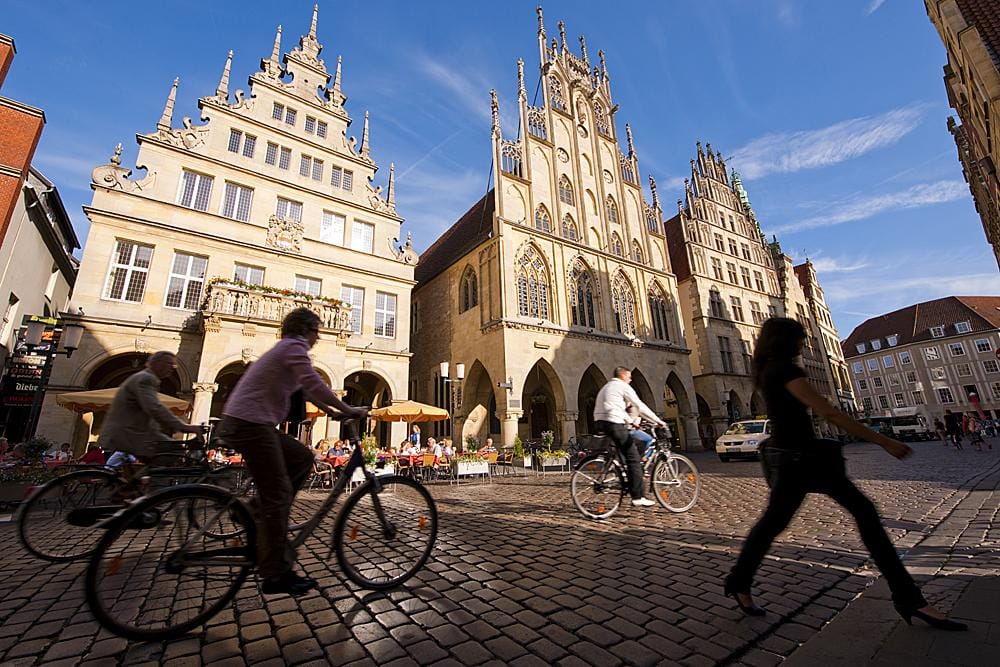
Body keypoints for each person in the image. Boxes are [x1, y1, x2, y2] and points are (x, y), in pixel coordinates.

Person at [724, 318, 966, 630]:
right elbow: (831, 413)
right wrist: (883, 440)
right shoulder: (787, 370)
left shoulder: (766, 369)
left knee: (773, 525)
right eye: (801, 339)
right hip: (804, 459)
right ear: (787, 341)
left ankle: (739, 581)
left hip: (790, 459)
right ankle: (909, 598)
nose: (805, 344)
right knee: (864, 517)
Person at [218, 307, 366, 596]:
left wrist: (331, 413)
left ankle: (255, 510)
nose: (317, 338)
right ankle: (276, 573)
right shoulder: (293, 346)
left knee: (303, 457)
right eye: (316, 332)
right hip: (250, 423)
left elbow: (307, 390)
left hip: (250, 422)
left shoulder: (286, 348)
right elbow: (312, 383)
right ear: (306, 330)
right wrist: (347, 409)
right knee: (278, 495)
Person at [99, 351, 204, 462]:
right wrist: (184, 427)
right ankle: (154, 479)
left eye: (174, 365)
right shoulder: (146, 379)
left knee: (169, 452)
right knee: (174, 451)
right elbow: (154, 408)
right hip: (128, 433)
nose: (172, 368)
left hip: (133, 433)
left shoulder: (146, 378)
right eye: (169, 364)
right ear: (156, 363)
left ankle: (145, 478)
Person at [593, 367, 668, 508]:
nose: (631, 379)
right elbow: (639, 405)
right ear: (623, 376)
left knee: (623, 454)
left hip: (600, 422)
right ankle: (638, 496)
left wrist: (630, 420)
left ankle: (620, 472)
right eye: (629, 377)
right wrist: (658, 421)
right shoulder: (622, 386)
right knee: (633, 458)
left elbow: (613, 407)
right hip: (614, 423)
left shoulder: (606, 387)